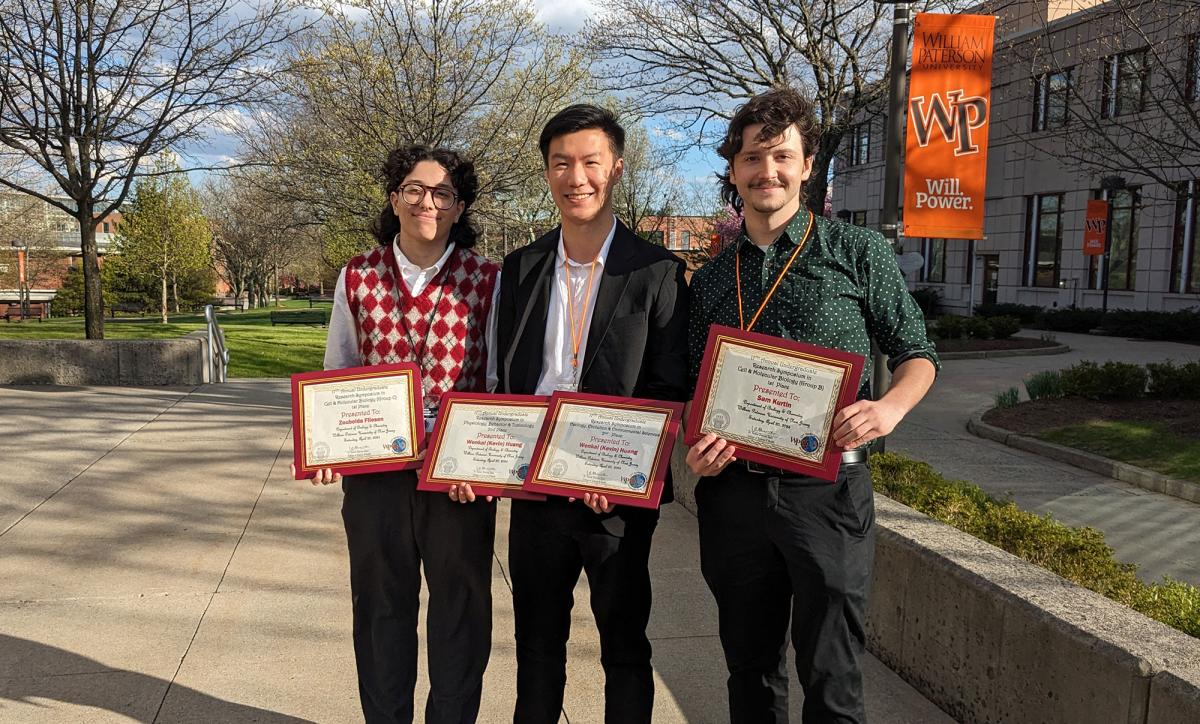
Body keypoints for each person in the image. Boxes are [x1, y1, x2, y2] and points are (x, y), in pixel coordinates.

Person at [684, 88, 939, 724]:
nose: (765, 171)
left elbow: (917, 353)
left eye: (780, 156)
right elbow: (693, 388)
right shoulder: (713, 277)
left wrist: (888, 410)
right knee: (749, 667)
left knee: (832, 672)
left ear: (805, 164)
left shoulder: (857, 253)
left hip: (828, 493)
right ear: (733, 170)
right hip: (734, 495)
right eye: (751, 158)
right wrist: (696, 450)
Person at [487, 104, 689, 724]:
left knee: (624, 647)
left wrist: (620, 473)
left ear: (616, 169)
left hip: (617, 496)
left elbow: (667, 388)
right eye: (561, 163)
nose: (576, 177)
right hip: (537, 490)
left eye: (590, 162)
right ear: (547, 173)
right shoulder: (519, 268)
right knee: (536, 648)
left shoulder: (656, 270)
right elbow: (503, 379)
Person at [303, 145, 500, 724]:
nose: (427, 202)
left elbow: (493, 381)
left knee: (460, 614)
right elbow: (337, 371)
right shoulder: (357, 275)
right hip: (375, 476)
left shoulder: (486, 278)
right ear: (394, 198)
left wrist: (481, 465)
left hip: (456, 477)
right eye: (414, 189)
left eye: (443, 193)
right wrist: (324, 445)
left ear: (460, 207)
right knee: (381, 610)